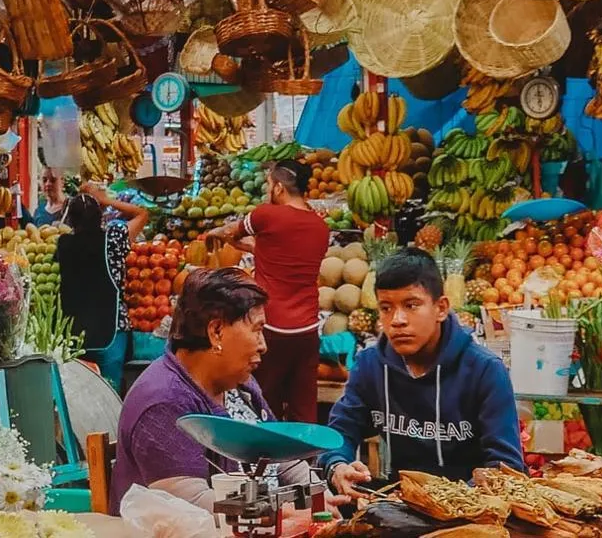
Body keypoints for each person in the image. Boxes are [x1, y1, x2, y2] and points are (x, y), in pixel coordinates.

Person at [321, 249, 525, 497]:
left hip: (471, 509)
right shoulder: (370, 365)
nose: (397, 320)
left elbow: (506, 466)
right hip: (401, 501)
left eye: (411, 305)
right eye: (386, 308)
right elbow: (339, 432)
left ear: (441, 308)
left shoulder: (484, 370)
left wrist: (447, 500)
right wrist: (337, 466)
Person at [108, 268, 314, 511]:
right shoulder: (163, 402)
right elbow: (190, 505)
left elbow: (279, 455)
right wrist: (277, 511)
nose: (263, 345)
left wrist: (319, 490)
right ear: (216, 331)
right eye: (257, 330)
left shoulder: (240, 385)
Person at [205, 159, 331, 423]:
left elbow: (231, 232)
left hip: (270, 328)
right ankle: (305, 463)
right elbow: (289, 256)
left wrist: (217, 233)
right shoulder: (320, 227)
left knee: (265, 403)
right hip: (307, 330)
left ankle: (269, 462)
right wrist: (257, 249)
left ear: (278, 188)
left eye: (268, 184)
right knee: (303, 409)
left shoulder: (266, 215)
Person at [55, 182, 148, 392]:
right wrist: (105, 200)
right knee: (109, 395)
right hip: (111, 331)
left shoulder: (62, 243)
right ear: (101, 216)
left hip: (74, 334)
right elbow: (142, 214)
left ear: (70, 220)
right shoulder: (114, 240)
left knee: (80, 398)